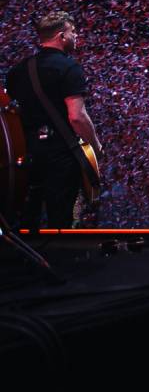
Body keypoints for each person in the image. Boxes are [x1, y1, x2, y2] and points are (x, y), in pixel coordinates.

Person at [5, 12, 105, 230]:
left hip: (26, 154)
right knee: (60, 219)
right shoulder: (69, 69)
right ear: (61, 36)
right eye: (73, 31)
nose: (77, 36)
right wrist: (96, 146)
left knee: (26, 217)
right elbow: (77, 117)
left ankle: (25, 260)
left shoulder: (17, 72)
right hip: (59, 154)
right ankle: (60, 260)